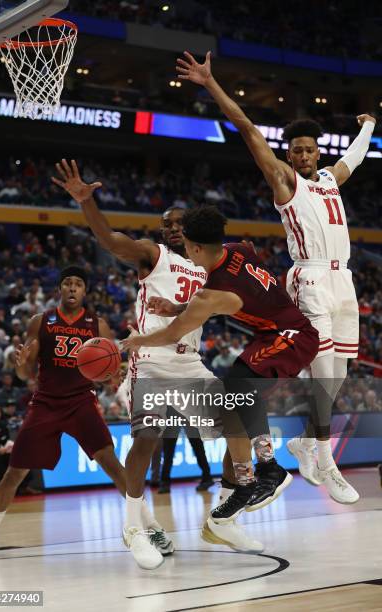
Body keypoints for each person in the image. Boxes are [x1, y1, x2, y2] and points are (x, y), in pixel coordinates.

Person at [176, 50, 376, 504]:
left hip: (343, 280)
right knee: (322, 369)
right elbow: (247, 128)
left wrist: (367, 127)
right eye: (295, 150)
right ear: (288, 156)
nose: (302, 155)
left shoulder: (328, 179)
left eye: (308, 148)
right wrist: (210, 84)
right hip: (309, 278)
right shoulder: (286, 182)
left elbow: (355, 160)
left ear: (317, 151)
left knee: (339, 372)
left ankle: (308, 442)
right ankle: (325, 458)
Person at [52, 160, 262, 570]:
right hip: (149, 360)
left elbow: (229, 305)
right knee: (146, 441)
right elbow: (110, 239)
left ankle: (223, 515)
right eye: (166, 223)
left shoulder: (208, 268)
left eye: (179, 222)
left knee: (239, 425)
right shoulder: (154, 255)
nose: (172, 228)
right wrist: (87, 203)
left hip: (191, 363)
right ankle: (133, 526)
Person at [123, 206, 319, 526]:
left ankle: (270, 469)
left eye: (187, 246)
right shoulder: (237, 249)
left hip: (292, 335)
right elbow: (243, 262)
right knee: (235, 396)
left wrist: (139, 341)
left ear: (197, 247)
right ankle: (246, 481)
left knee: (239, 389)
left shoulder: (215, 286)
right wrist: (176, 306)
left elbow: (175, 331)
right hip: (270, 334)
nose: (185, 252)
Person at [0, 267, 160, 559]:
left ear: (85, 291)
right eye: (67, 283)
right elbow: (26, 373)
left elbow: (109, 370)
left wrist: (110, 373)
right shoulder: (41, 321)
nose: (72, 288)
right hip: (46, 402)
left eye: (78, 284)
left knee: (111, 464)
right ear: (59, 289)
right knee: (15, 472)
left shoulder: (97, 325)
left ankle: (151, 527)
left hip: (81, 403)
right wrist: (21, 364)